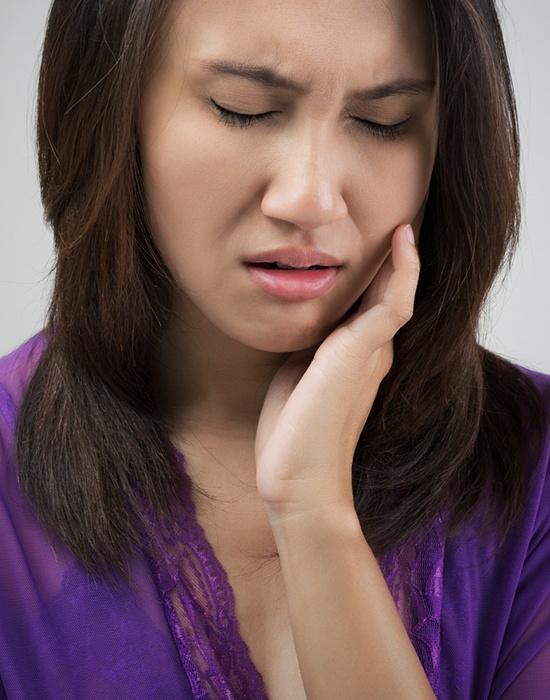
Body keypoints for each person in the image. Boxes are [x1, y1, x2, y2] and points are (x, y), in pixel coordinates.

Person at [0, 0, 548, 697]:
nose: (311, 198)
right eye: (244, 109)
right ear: (112, 108)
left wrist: (316, 516)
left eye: (384, 121)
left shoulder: (537, 466)